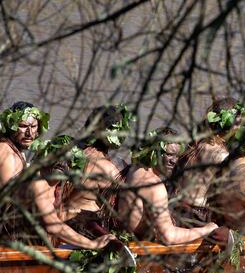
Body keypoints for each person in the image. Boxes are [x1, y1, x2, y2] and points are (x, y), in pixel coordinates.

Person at [117, 127, 223, 244]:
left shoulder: (135, 168)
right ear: (154, 152)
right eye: (169, 155)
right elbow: (169, 237)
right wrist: (206, 229)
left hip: (128, 240)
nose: (174, 161)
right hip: (142, 250)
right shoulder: (154, 186)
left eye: (177, 156)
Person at [10, 136, 117, 249]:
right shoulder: (37, 183)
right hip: (18, 251)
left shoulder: (60, 183)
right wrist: (92, 244)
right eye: (58, 156)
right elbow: (52, 225)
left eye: (68, 160)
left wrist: (74, 212)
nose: (63, 163)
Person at [60, 104, 134, 237]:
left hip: (61, 221)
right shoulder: (106, 168)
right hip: (84, 227)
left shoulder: (71, 153)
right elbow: (121, 209)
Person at [173, 98, 245, 226]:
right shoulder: (221, 154)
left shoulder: (197, 143)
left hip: (178, 209)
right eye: (238, 124)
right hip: (198, 215)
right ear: (228, 124)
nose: (240, 128)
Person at [0, 101, 49, 186]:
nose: (29, 133)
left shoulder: (16, 150)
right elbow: (6, 194)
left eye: (33, 127)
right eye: (23, 126)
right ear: (10, 127)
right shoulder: (5, 152)